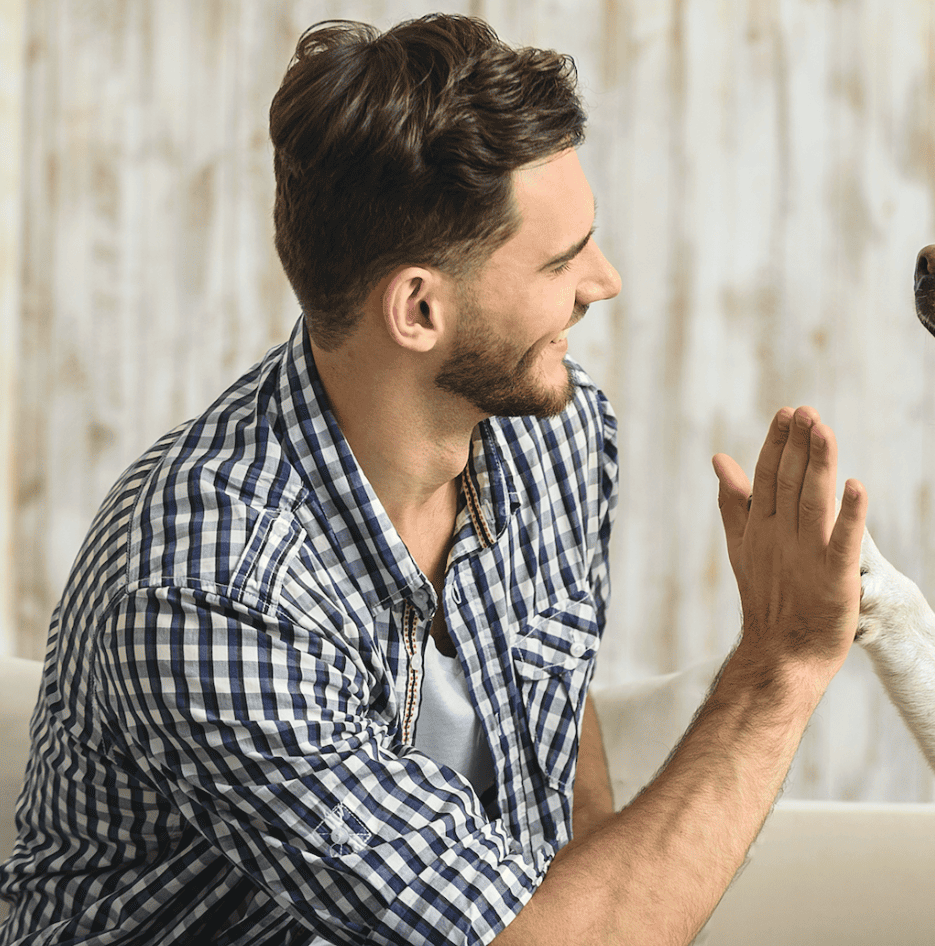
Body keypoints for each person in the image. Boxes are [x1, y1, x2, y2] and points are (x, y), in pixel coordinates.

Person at [0, 14, 866, 946]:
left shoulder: (556, 442)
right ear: (419, 308)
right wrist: (782, 664)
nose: (603, 282)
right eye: (562, 258)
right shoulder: (209, 584)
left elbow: (560, 759)